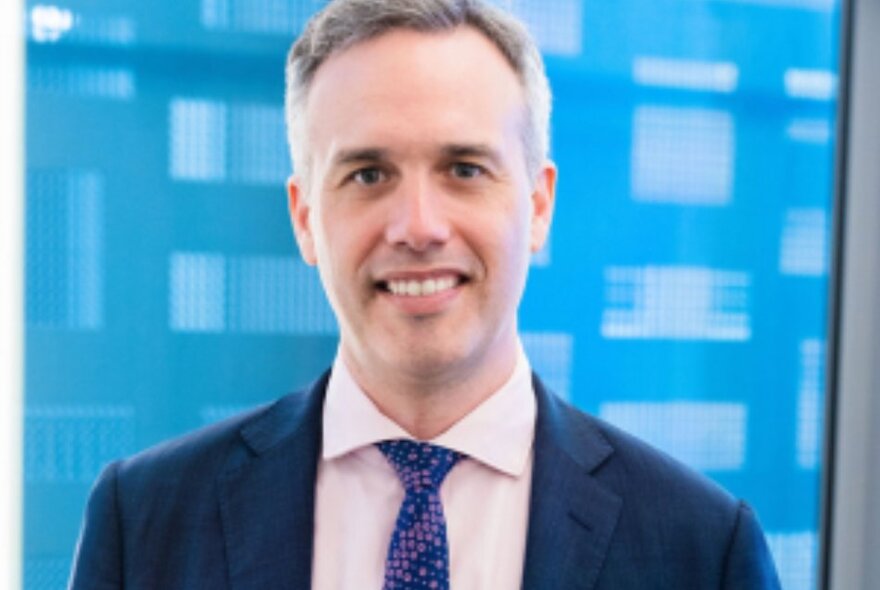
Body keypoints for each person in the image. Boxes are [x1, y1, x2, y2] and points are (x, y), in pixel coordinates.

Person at [69, 0, 782, 588]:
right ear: (306, 218)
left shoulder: (702, 550)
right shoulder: (146, 523)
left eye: (465, 169)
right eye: (369, 174)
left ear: (538, 206)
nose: (418, 227)